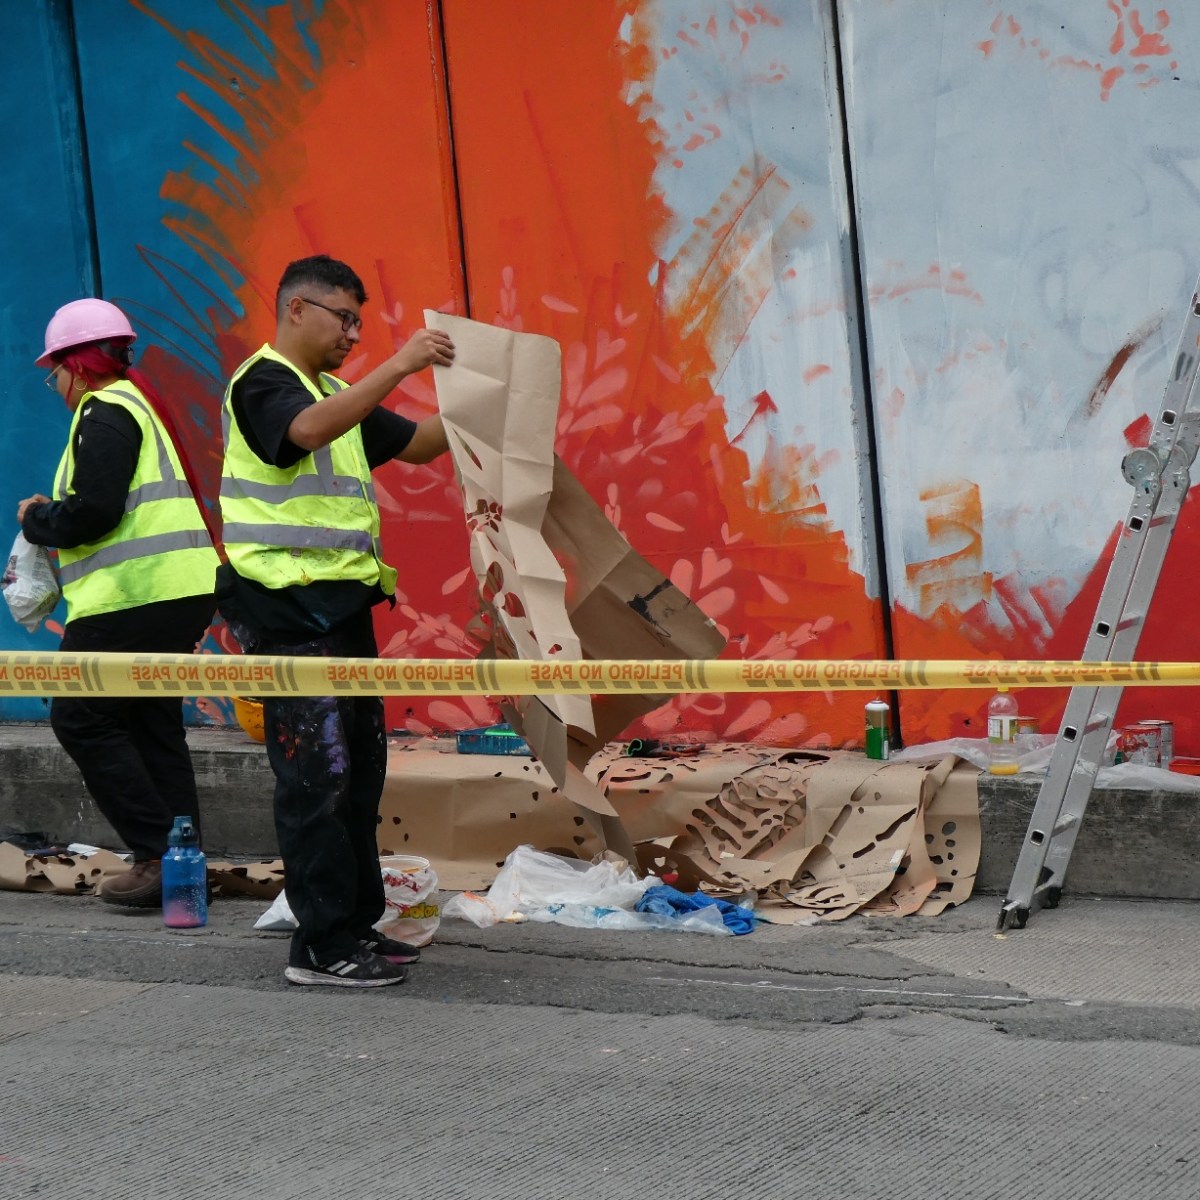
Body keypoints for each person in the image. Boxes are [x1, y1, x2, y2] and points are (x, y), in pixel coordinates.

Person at [217, 255, 456, 988]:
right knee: (316, 781)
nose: (353, 332)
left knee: (359, 778)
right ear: (295, 310)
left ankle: (355, 924)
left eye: (359, 320)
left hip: (343, 609)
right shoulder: (263, 383)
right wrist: (401, 363)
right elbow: (304, 433)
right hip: (286, 614)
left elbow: (415, 444)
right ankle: (319, 946)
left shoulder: (338, 393)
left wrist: (481, 407)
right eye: (341, 317)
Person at [18, 299, 220, 906]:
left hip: (133, 598)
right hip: (175, 593)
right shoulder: (137, 406)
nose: (53, 383)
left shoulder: (103, 411)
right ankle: (184, 860)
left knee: (80, 717)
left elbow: (94, 513)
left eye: (53, 370)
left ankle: (159, 855)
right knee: (150, 725)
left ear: (76, 366)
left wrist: (37, 520)